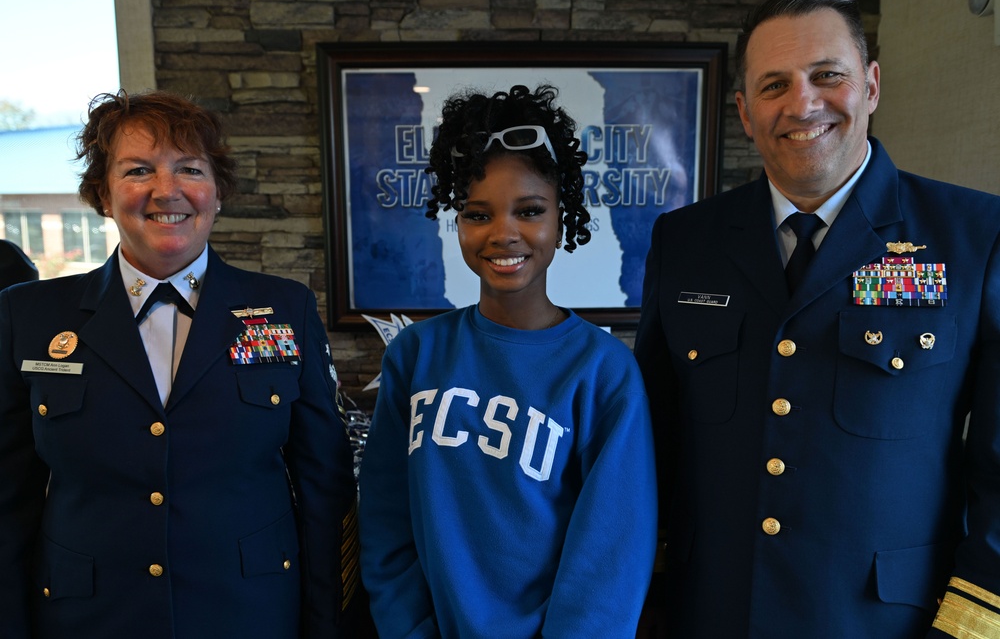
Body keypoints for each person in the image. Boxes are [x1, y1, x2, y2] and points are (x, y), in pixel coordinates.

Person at [634, 0, 1000, 639]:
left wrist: (972, 625)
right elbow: (653, 444)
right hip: (712, 616)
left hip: (889, 625)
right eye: (774, 85)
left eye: (827, 76)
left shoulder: (973, 236)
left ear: (872, 85)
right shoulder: (685, 243)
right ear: (745, 112)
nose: (803, 104)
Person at [0, 90, 358, 639]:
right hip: (87, 619)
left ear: (217, 192)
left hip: (251, 614)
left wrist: (324, 626)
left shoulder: (286, 309)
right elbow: (9, 501)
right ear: (102, 193)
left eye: (190, 169)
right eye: (138, 170)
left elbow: (323, 489)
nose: (166, 191)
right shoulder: (29, 315)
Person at [359, 84, 658, 638]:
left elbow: (610, 559)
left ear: (562, 217)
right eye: (478, 214)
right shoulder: (417, 356)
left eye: (530, 211)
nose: (504, 234)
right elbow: (386, 519)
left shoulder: (603, 372)